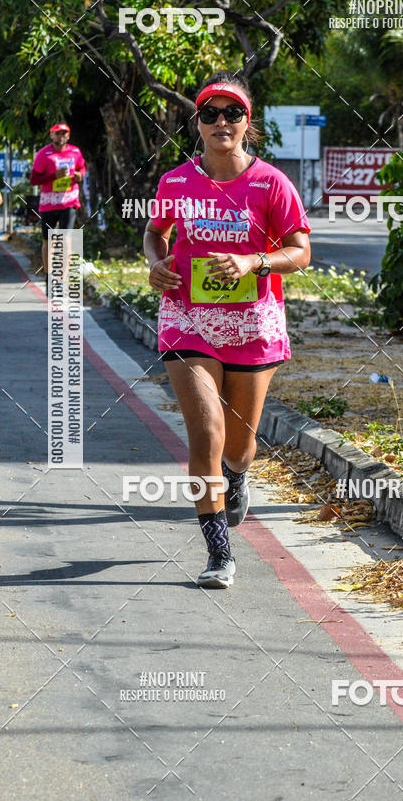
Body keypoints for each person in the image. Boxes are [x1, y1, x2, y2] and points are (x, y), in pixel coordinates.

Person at [144, 71, 311, 589]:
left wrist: (252, 263)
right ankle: (220, 551)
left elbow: (300, 253)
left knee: (238, 447)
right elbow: (155, 232)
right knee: (206, 433)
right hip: (187, 319)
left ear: (247, 122)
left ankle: (237, 478)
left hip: (252, 324)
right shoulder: (175, 181)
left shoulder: (271, 183)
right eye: (210, 113)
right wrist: (155, 263)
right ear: (197, 123)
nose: (221, 122)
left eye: (232, 112)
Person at [30, 123, 86, 293]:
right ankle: (48, 277)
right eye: (57, 133)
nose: (60, 136)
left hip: (69, 200)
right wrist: (53, 176)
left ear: (68, 136)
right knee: (49, 241)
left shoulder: (75, 152)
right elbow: (34, 179)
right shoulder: (43, 154)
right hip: (48, 203)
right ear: (51, 135)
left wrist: (80, 175)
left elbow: (82, 167)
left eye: (64, 133)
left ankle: (62, 280)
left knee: (66, 239)